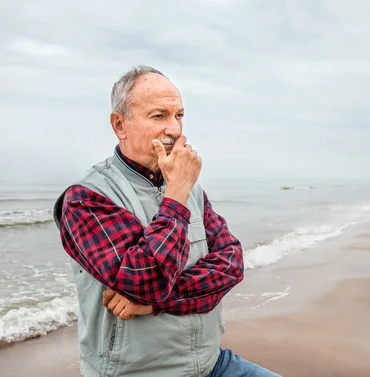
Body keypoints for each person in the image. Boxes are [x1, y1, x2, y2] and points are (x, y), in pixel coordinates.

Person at [52, 65, 280, 377]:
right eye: (159, 116)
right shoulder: (86, 198)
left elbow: (231, 262)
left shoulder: (188, 186)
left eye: (179, 116)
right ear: (120, 124)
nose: (174, 129)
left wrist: (158, 304)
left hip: (211, 364)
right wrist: (176, 195)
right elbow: (145, 281)